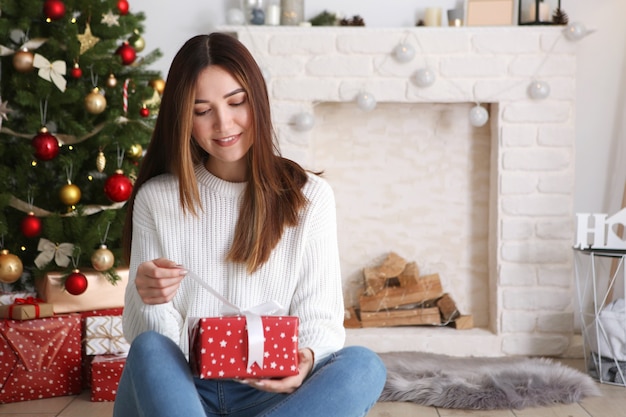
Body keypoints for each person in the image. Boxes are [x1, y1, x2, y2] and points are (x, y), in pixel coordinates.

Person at [113, 32, 386, 417]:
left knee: (364, 365)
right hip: (185, 393)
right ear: (182, 119)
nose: (223, 124)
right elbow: (147, 341)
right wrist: (152, 300)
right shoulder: (157, 199)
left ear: (257, 99)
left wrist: (305, 361)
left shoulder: (311, 197)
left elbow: (321, 319)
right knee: (149, 349)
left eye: (236, 102)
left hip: (273, 394)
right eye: (201, 110)